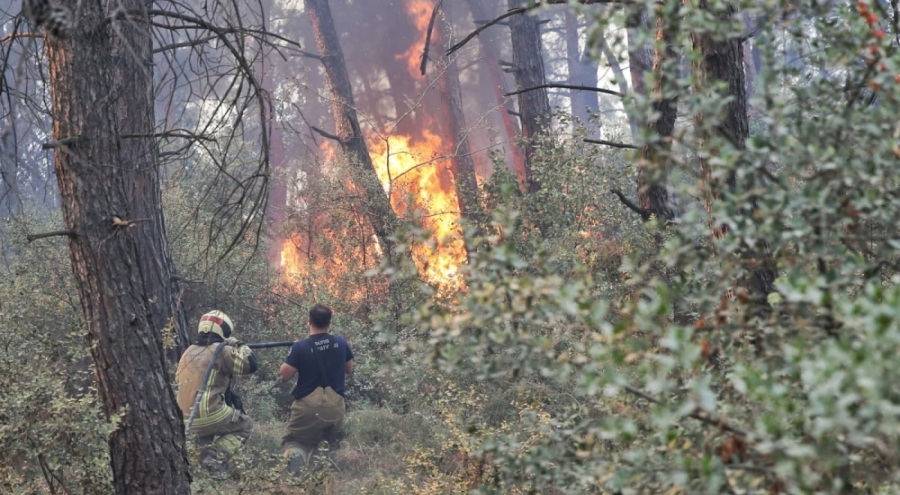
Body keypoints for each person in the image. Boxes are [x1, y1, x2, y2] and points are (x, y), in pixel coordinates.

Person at [176, 310, 258, 472]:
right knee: (245, 425)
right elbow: (250, 364)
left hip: (184, 418)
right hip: (210, 413)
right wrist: (238, 344)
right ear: (224, 332)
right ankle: (216, 456)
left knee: (204, 437)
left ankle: (207, 471)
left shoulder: (187, 352)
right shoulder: (222, 351)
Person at [279, 303, 355, 473]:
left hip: (308, 408)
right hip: (335, 406)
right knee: (329, 442)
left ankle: (297, 463)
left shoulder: (300, 346)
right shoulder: (340, 342)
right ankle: (326, 476)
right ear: (329, 322)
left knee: (295, 441)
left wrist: (294, 353)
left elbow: (285, 375)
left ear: (309, 321)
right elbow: (349, 369)